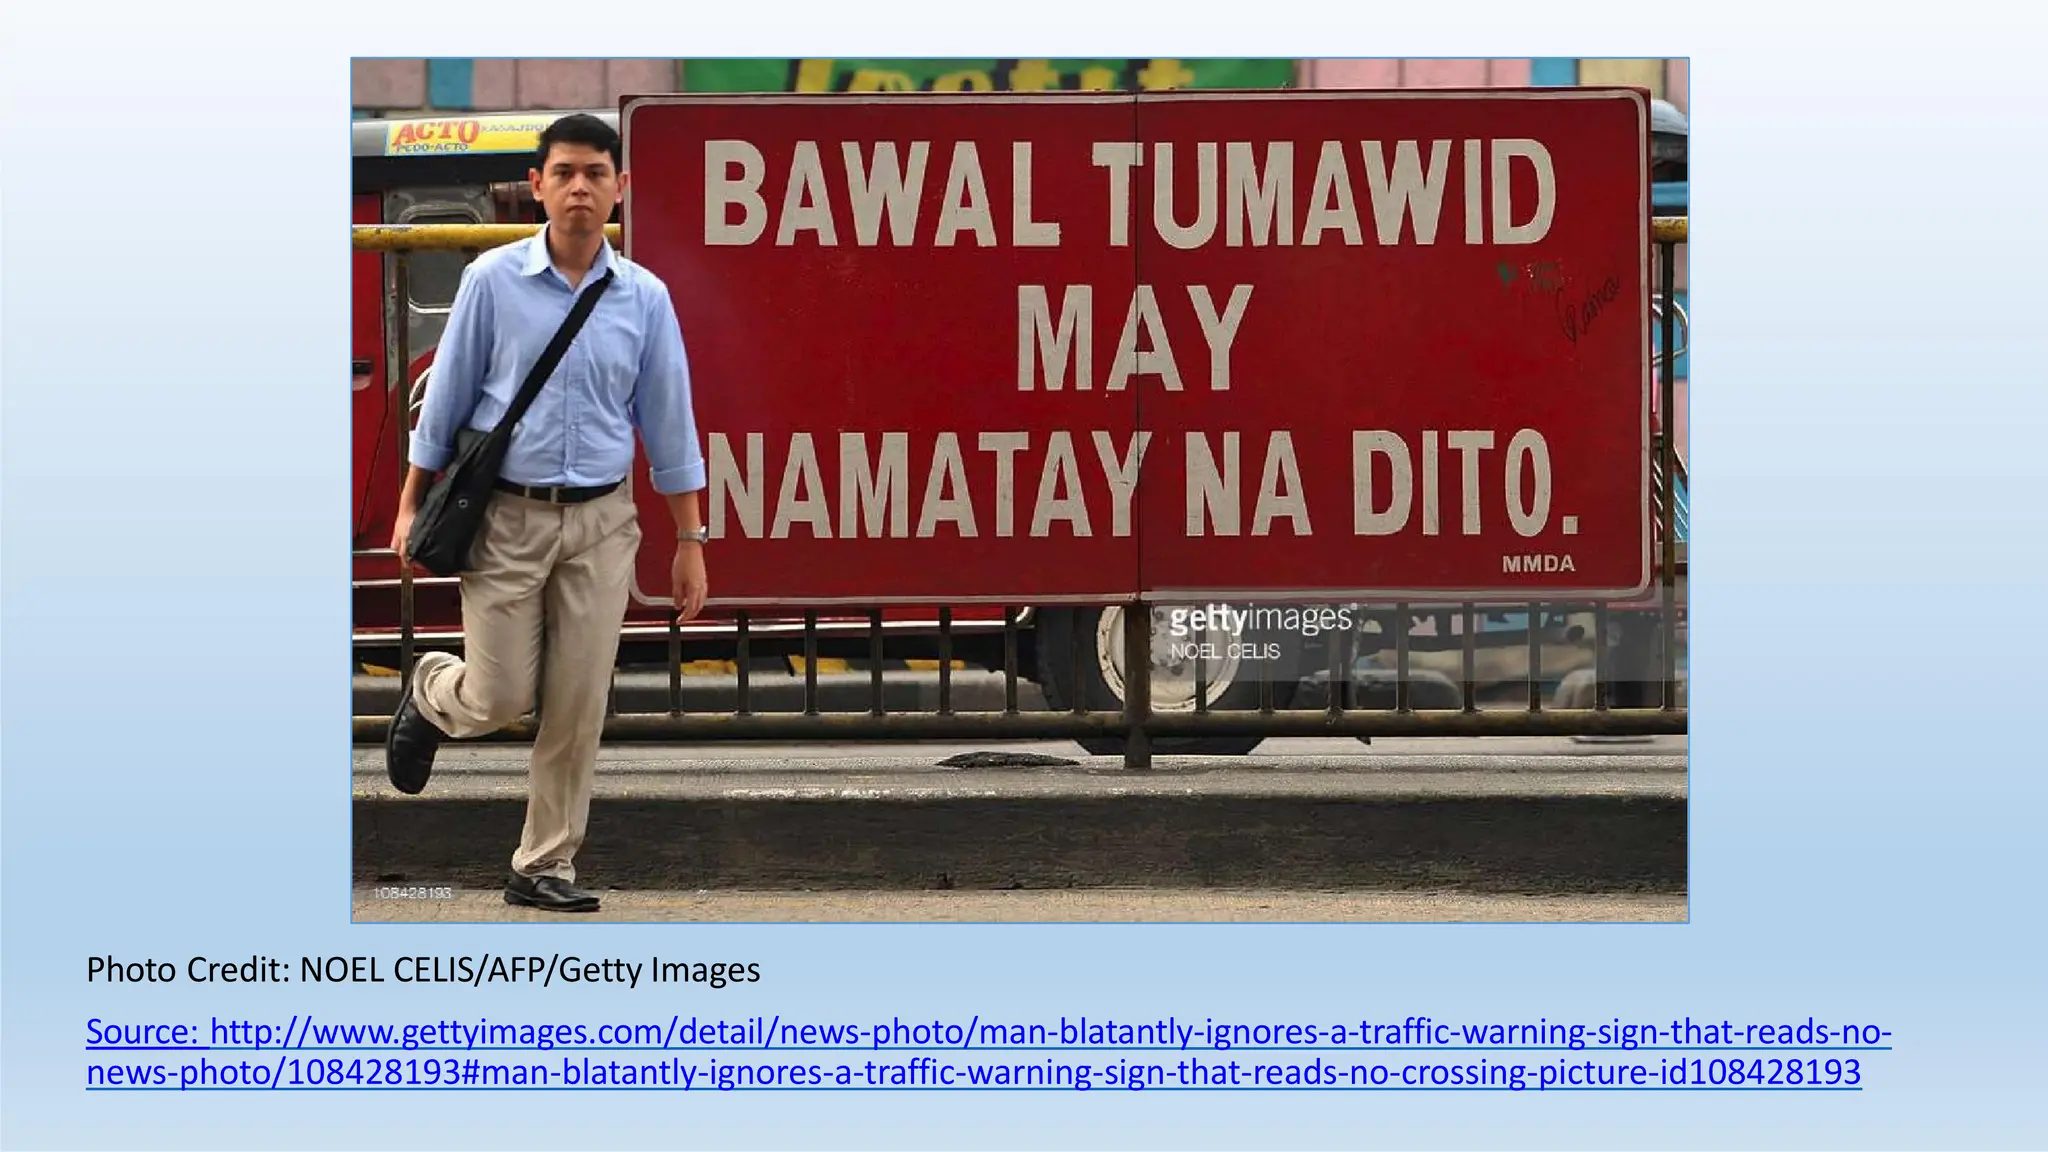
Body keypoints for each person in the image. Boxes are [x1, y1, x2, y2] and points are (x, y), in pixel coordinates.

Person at [384, 113, 709, 913]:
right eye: (563, 172)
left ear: (618, 188)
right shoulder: (492, 281)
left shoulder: (645, 298)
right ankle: (432, 689)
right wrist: (408, 505)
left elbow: (670, 422)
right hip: (507, 521)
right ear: (536, 187)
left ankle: (543, 865)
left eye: (596, 174)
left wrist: (690, 538)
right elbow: (447, 403)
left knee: (576, 705)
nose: (579, 188)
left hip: (602, 524)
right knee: (500, 698)